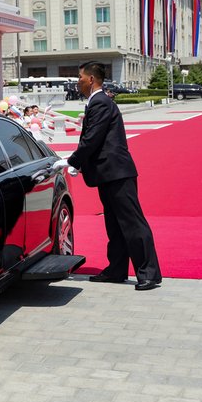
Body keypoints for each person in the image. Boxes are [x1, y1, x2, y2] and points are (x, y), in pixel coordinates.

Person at [58, 61, 161, 291]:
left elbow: (92, 138)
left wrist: (72, 161)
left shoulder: (100, 103)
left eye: (80, 78)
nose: (78, 83)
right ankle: (116, 269)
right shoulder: (98, 102)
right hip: (108, 173)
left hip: (117, 173)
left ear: (91, 79)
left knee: (132, 223)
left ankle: (149, 273)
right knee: (114, 225)